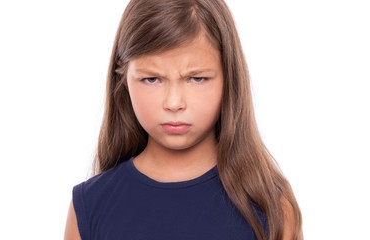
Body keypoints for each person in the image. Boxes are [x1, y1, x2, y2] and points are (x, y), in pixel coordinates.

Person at [64, 0, 303, 239]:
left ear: (229, 76)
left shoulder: (272, 206)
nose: (174, 102)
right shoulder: (90, 205)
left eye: (196, 79)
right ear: (124, 77)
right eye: (152, 79)